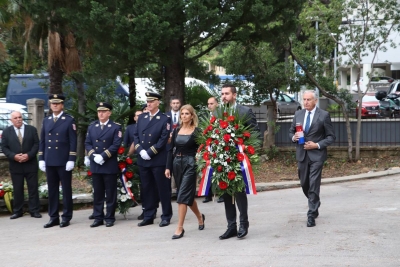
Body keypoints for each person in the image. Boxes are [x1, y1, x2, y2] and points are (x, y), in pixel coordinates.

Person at [218, 84, 260, 240]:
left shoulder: (244, 111)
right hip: (222, 158)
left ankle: (243, 224)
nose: (224, 96)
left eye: (227, 93)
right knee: (226, 191)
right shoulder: (217, 112)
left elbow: (255, 133)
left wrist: (246, 149)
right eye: (222, 93)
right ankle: (231, 227)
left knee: (239, 192)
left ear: (234, 95)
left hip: (239, 159)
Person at [289, 90, 335, 227]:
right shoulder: (298, 114)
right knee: (305, 183)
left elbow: (331, 137)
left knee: (314, 183)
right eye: (304, 99)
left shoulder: (324, 115)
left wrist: (317, 145)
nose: (306, 102)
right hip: (302, 154)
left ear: (315, 101)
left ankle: (311, 214)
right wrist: (293, 137)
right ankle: (315, 200)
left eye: (309, 100)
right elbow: (291, 131)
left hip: (317, 156)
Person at [133, 92, 173, 227]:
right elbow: (136, 135)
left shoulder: (164, 118)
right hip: (143, 158)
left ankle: (166, 215)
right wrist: (140, 150)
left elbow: (163, 138)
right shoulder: (142, 117)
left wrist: (150, 152)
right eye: (147, 101)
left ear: (158, 103)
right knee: (147, 188)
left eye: (151, 101)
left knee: (162, 189)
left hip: (157, 159)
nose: (148, 104)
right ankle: (149, 215)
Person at [165, 104, 205, 239]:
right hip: (177, 163)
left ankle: (179, 228)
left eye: (187, 113)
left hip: (190, 164)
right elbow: (170, 150)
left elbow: (203, 148)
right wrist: (167, 167)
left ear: (192, 115)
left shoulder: (197, 131)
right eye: (182, 114)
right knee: (187, 195)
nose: (184, 116)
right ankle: (200, 216)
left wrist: (201, 163)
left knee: (182, 195)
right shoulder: (176, 131)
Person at [38, 94, 77, 228]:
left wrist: (71, 158)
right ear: (50, 105)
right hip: (50, 160)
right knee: (52, 190)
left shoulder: (69, 120)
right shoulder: (46, 120)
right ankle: (53, 217)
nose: (55, 105)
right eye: (53, 103)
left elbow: (73, 142)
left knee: (66, 189)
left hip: (63, 160)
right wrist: (41, 158)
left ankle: (66, 216)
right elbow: (42, 140)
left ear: (62, 105)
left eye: (58, 103)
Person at [85, 102, 122, 227]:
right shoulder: (92, 126)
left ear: (109, 113)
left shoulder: (115, 127)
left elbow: (116, 144)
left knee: (110, 193)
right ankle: (98, 217)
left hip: (108, 164)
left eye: (104, 111)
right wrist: (93, 155)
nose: (100, 113)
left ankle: (110, 217)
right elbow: (87, 143)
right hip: (96, 164)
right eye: (99, 111)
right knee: (98, 193)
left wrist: (103, 155)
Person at [1, 111, 41, 219]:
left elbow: (37, 144)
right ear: (11, 120)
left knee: (33, 188)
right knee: (18, 189)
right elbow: (4, 147)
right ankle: (18, 211)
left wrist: (29, 155)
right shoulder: (6, 132)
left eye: (20, 117)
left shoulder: (31, 130)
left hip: (30, 163)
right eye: (15, 118)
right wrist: (14, 156)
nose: (18, 119)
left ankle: (34, 210)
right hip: (16, 165)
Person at [202, 96, 224, 204]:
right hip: (208, 144)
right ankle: (208, 194)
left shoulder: (220, 114)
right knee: (208, 168)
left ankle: (222, 193)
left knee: (219, 169)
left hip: (218, 144)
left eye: (212, 103)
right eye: (208, 104)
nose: (209, 106)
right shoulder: (206, 115)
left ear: (217, 104)